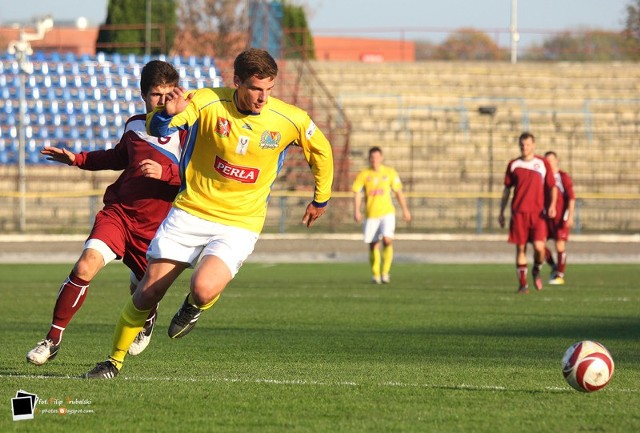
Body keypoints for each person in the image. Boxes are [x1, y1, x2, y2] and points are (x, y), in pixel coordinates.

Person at [83, 48, 334, 379]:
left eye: (269, 89)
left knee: (203, 288)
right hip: (191, 211)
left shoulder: (290, 119)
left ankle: (193, 306)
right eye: (256, 88)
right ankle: (113, 362)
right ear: (236, 82)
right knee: (148, 291)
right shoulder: (205, 101)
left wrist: (321, 198)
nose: (263, 97)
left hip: (239, 224)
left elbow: (322, 151)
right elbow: (162, 124)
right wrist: (165, 115)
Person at [26, 60, 185, 366]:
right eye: (156, 95)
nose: (163, 101)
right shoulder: (135, 125)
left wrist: (166, 172)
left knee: (142, 291)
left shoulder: (189, 132)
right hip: (119, 214)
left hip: (154, 230)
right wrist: (78, 159)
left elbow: (200, 175)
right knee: (85, 266)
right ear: (144, 95)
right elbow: (117, 156)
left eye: (169, 95)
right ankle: (52, 338)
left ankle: (148, 318)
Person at [498, 132, 557, 294]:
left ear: (533, 145)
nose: (525, 148)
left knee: (540, 247)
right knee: (521, 248)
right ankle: (523, 285)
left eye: (528, 145)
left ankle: (536, 269)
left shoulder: (542, 163)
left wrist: (552, 205)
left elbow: (552, 186)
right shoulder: (513, 165)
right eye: (522, 145)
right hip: (519, 213)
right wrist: (501, 212)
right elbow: (506, 190)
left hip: (538, 214)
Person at [352, 146, 411, 284]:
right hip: (371, 214)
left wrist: (405, 209)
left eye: (377, 157)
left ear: (382, 158)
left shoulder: (390, 173)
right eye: (372, 158)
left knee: (387, 240)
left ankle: (385, 272)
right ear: (369, 159)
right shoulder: (364, 174)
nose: (375, 160)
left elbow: (398, 192)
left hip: (387, 213)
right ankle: (376, 274)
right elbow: (357, 193)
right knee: (373, 245)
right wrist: (356, 210)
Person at [543, 151, 576, 285]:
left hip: (560, 216)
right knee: (538, 244)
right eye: (547, 161)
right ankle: (554, 266)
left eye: (551, 160)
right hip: (545, 216)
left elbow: (571, 198)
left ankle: (559, 275)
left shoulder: (563, 177)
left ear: (557, 160)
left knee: (559, 244)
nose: (549, 163)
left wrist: (570, 216)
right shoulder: (543, 177)